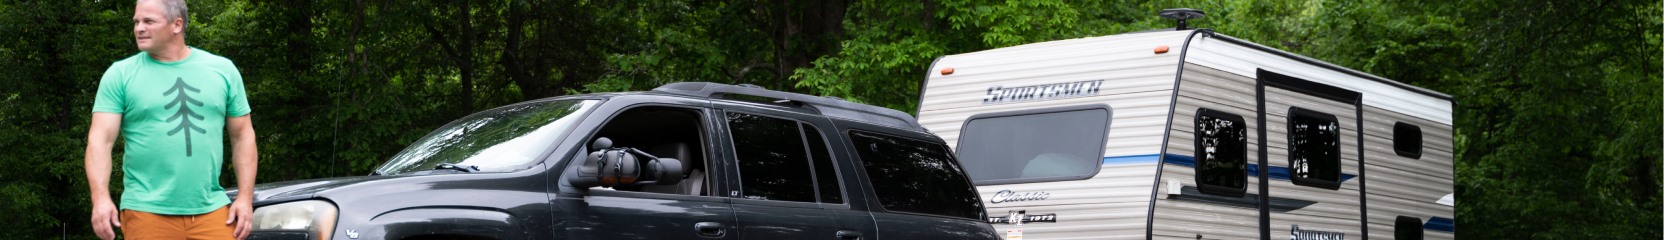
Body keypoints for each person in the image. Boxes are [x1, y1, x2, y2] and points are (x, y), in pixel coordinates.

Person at [84, 0, 258, 239]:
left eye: (148, 21)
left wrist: (245, 199)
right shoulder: (120, 75)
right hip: (146, 210)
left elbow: (243, 136)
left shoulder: (223, 70)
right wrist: (100, 198)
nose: (139, 28)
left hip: (213, 210)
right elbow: (100, 141)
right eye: (136, 21)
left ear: (177, 24)